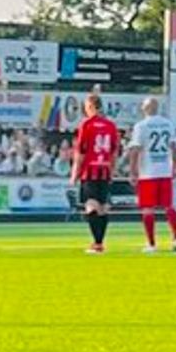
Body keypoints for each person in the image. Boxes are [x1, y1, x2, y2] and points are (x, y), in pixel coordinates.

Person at [126, 96, 176, 253]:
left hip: (148, 172)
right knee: (169, 206)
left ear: (145, 108)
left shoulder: (141, 126)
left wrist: (132, 171)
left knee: (147, 209)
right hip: (164, 170)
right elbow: (174, 146)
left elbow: (135, 150)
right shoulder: (168, 124)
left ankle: (151, 244)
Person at [70, 93, 122, 253]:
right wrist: (112, 170)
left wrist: (74, 174)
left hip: (90, 170)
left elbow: (81, 152)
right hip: (105, 169)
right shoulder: (111, 125)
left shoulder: (86, 125)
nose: (85, 110)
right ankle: (99, 243)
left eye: (86, 107)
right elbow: (114, 152)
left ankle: (97, 243)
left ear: (91, 106)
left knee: (91, 206)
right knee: (103, 207)